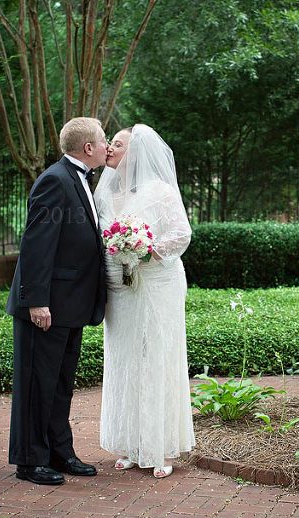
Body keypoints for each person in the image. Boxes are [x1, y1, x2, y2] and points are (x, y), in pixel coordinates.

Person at [6, 117, 108, 485]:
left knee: (60, 383)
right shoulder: (54, 180)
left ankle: (59, 452)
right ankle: (30, 461)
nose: (107, 144)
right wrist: (36, 301)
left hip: (71, 305)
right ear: (87, 148)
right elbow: (36, 244)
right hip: (45, 306)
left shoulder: (79, 179)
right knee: (37, 383)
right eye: (103, 139)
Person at [94, 124, 195, 478]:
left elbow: (181, 234)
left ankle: (158, 447)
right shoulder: (105, 193)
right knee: (123, 361)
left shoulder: (161, 192)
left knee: (154, 358)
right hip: (119, 290)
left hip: (155, 285)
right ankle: (129, 444)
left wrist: (146, 251)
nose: (109, 148)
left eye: (117, 144)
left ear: (134, 153)